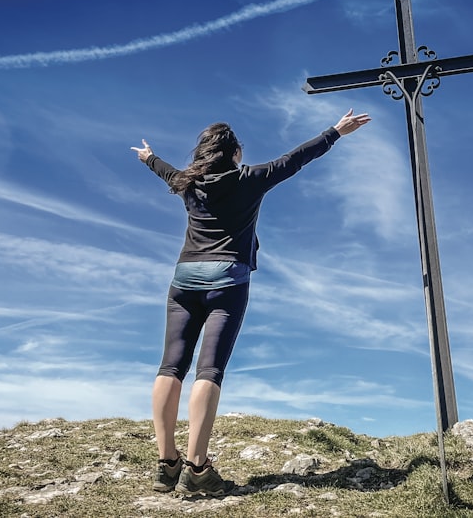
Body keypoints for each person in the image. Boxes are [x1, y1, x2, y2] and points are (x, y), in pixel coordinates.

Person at [130, 108, 371, 496]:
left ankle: (166, 463)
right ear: (236, 152)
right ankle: (197, 467)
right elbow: (296, 158)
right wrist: (336, 132)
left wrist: (148, 158)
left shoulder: (186, 182)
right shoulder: (251, 178)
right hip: (227, 280)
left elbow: (165, 171)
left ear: (204, 154)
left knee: (170, 366)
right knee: (209, 370)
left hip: (184, 278)